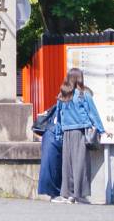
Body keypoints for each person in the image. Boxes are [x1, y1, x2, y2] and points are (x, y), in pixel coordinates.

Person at [57, 68, 107, 204]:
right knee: (81, 163)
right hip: (80, 132)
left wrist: (58, 133)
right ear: (80, 78)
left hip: (66, 132)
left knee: (67, 164)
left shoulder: (63, 95)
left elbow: (59, 116)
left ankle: (67, 194)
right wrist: (102, 130)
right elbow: (92, 113)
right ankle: (78, 195)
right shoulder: (83, 95)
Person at [36, 104, 64, 201]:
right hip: (54, 136)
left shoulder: (57, 105)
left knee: (51, 166)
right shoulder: (64, 105)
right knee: (54, 167)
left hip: (50, 134)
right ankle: (55, 194)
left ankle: (54, 193)